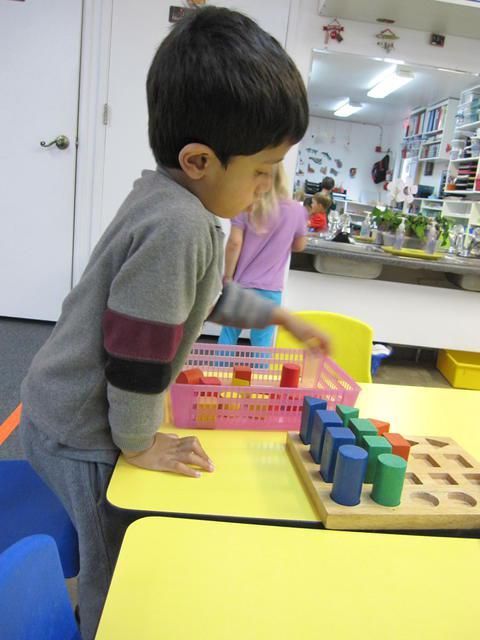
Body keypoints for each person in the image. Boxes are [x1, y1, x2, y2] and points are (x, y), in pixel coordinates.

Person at [18, 8, 329, 639]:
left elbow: (203, 297)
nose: (267, 187)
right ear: (199, 160)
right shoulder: (180, 227)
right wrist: (139, 443)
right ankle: (107, 627)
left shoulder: (169, 199)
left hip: (66, 408)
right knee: (118, 553)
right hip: (80, 431)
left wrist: (276, 315)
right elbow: (137, 358)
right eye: (262, 170)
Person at [218, 164, 307, 347]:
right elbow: (299, 245)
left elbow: (234, 243)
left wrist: (227, 277)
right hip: (271, 289)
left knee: (228, 336)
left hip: (241, 284)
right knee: (262, 343)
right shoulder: (296, 210)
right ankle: (259, 375)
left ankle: (217, 375)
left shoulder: (246, 205)